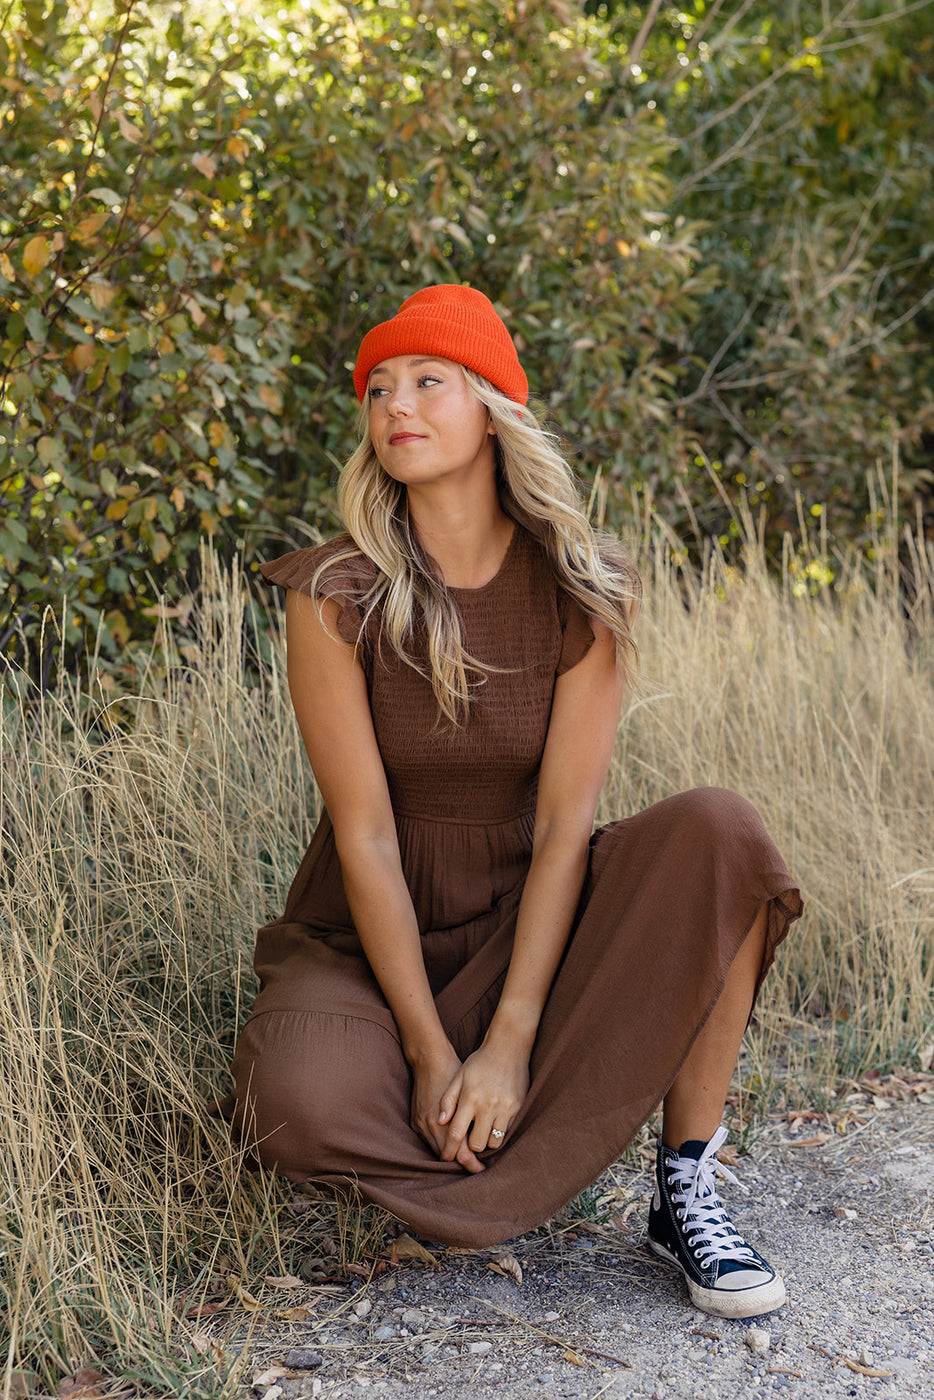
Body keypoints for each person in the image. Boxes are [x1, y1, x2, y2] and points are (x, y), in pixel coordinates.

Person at [226, 284, 803, 1319]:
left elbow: (560, 828)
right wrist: (429, 1046)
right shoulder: (334, 595)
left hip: (533, 919)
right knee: (294, 1100)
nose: (394, 404)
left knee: (723, 833)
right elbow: (361, 831)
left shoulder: (584, 590)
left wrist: (507, 1038)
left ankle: (681, 1183)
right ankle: (507, 1143)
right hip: (370, 936)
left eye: (426, 382)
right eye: (378, 390)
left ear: (491, 408)